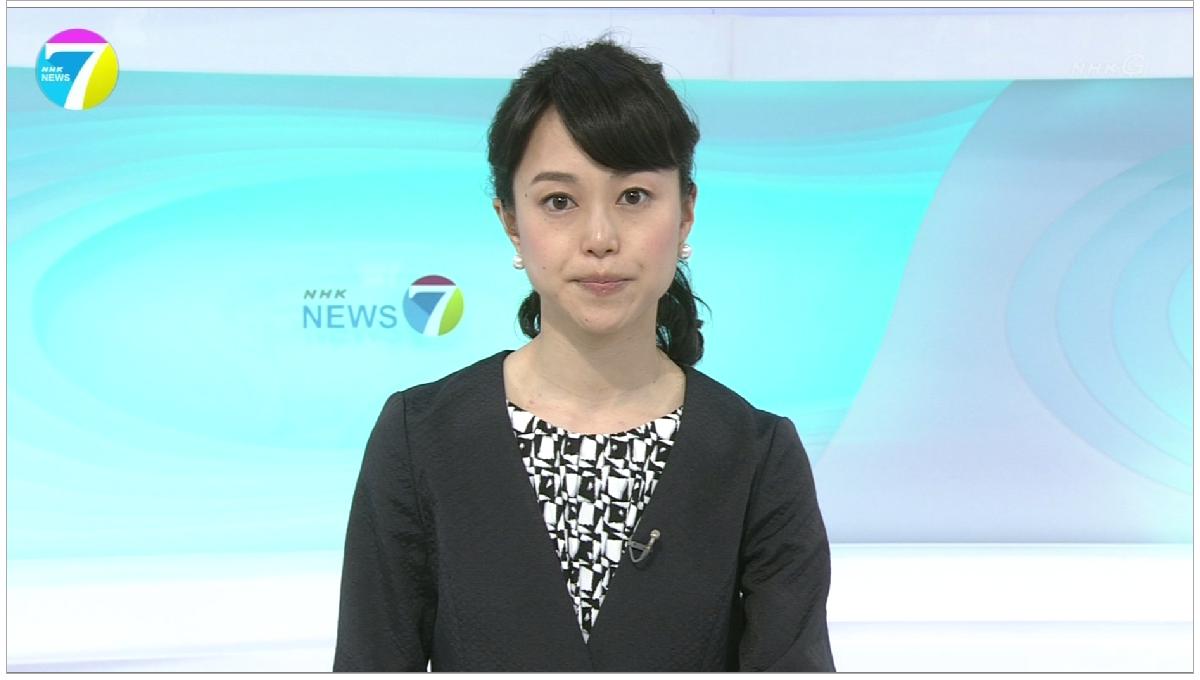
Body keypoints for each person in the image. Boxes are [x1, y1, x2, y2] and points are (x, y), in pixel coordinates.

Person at [332, 35, 836, 672]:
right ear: (510, 221)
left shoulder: (757, 456)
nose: (600, 238)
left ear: (686, 213)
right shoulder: (419, 437)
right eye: (559, 202)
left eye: (634, 196)